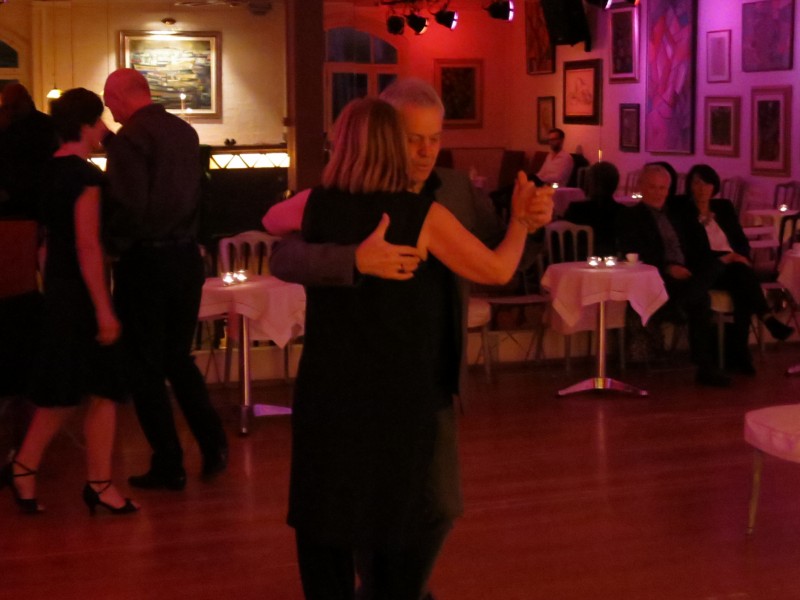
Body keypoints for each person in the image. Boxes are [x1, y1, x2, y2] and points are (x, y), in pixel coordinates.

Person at [263, 97, 550, 600]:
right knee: (400, 513)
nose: (424, 149)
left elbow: (271, 221)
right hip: (399, 392)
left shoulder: (315, 203)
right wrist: (521, 225)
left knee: (325, 513)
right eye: (413, 139)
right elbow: (498, 270)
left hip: (328, 386)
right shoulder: (421, 216)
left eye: (433, 138)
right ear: (393, 146)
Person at [0, 88, 138, 515]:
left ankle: (30, 470)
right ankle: (93, 483)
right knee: (100, 390)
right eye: (98, 121)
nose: (103, 129)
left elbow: (45, 245)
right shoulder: (85, 177)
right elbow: (87, 246)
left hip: (58, 289)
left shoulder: (48, 172)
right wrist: (104, 309)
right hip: (81, 293)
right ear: (86, 125)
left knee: (63, 392)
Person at [102, 68, 228, 491]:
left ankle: (169, 463)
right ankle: (213, 443)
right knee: (177, 357)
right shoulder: (183, 132)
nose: (110, 110)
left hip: (145, 262)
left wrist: (112, 245)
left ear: (122, 95)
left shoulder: (131, 139)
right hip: (185, 259)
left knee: (143, 366)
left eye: (109, 100)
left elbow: (130, 203)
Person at [616, 163, 730, 387]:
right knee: (702, 299)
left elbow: (692, 246)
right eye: (652, 187)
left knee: (716, 269)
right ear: (641, 186)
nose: (658, 192)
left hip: (685, 276)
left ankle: (681, 303)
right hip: (657, 278)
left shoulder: (676, 215)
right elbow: (634, 253)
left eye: (662, 188)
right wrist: (668, 268)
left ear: (668, 190)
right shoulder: (631, 216)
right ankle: (705, 368)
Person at [682, 164, 793, 373]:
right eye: (696, 182)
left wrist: (742, 257)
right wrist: (727, 258)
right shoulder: (685, 213)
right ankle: (763, 323)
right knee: (742, 277)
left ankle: (740, 352)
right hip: (709, 269)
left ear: (714, 186)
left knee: (742, 282)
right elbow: (693, 251)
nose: (702, 188)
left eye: (707, 183)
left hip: (734, 267)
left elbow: (740, 240)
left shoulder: (723, 207)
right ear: (690, 185)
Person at [0, 83, 59, 219]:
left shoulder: (44, 127)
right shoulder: (47, 124)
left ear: (26, 101)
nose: (10, 111)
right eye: (6, 107)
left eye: (14, 106)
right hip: (24, 198)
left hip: (32, 199)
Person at [563, 161, 624, 256]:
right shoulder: (622, 211)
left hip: (579, 260)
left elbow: (563, 239)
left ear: (593, 183)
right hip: (612, 261)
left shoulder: (577, 209)